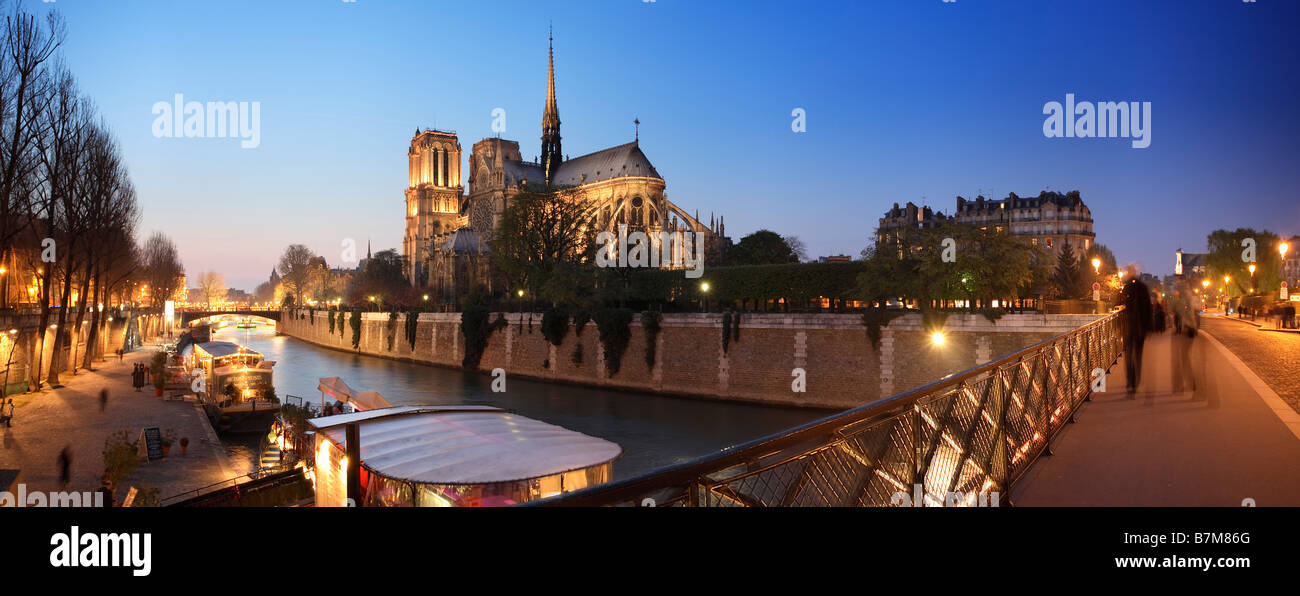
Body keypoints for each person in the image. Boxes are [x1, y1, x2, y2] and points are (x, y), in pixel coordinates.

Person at [1119, 266, 1153, 399]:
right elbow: (1148, 308)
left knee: (1130, 356)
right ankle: (1134, 381)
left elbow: (1120, 304)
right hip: (1138, 328)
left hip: (1131, 327)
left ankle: (1131, 381)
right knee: (1136, 356)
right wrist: (1149, 327)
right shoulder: (1142, 287)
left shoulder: (1126, 287)